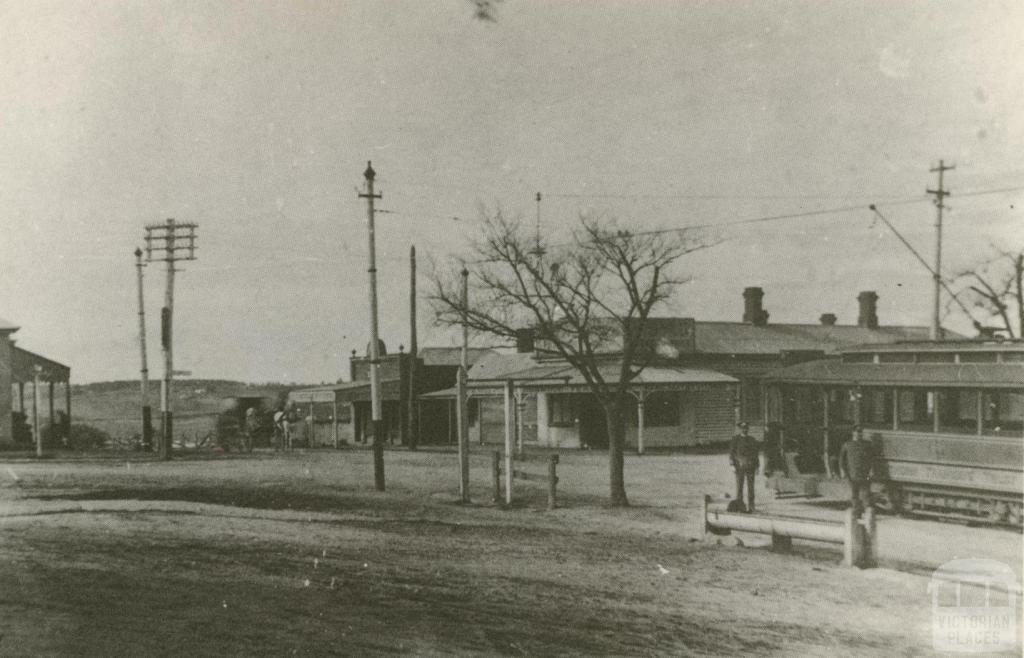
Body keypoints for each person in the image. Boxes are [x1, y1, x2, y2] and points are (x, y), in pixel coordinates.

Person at [839, 425, 874, 514]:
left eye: (860, 432)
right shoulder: (847, 445)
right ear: (853, 433)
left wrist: (871, 469)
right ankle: (856, 512)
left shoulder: (867, 444)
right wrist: (842, 471)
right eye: (857, 432)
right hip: (852, 474)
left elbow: (872, 458)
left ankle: (868, 512)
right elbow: (841, 459)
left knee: (866, 494)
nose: (859, 434)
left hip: (865, 473)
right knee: (854, 494)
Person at [729, 421, 761, 513]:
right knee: (739, 487)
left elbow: (755, 454)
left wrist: (757, 467)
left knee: (751, 488)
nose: (745, 430)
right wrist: (732, 465)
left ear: (748, 429)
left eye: (746, 428)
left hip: (750, 466)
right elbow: (731, 453)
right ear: (740, 429)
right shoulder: (735, 439)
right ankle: (740, 506)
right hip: (739, 467)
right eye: (743, 428)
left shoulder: (752, 440)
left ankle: (751, 506)